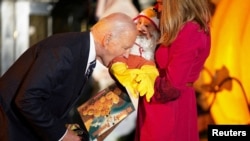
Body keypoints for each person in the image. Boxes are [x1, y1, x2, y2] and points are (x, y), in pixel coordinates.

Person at [0, 12, 137, 141]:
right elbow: (27, 100)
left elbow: (57, 102)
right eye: (125, 48)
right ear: (107, 39)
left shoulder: (81, 49)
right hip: (12, 130)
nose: (126, 55)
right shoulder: (65, 51)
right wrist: (62, 135)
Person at [134, 0, 212, 141]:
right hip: (158, 105)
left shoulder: (190, 30)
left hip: (168, 109)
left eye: (161, 2)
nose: (157, 7)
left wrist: (138, 67)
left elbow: (171, 88)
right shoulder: (180, 27)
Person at [109, 6, 160, 105]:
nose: (141, 27)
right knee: (118, 63)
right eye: (139, 23)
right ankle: (125, 74)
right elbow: (124, 46)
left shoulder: (154, 40)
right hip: (128, 59)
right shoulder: (133, 34)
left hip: (143, 65)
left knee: (150, 70)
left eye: (147, 26)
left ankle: (144, 78)